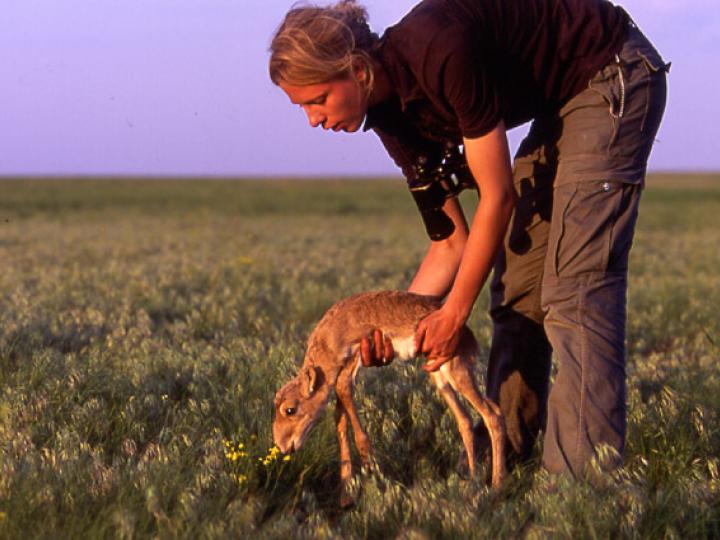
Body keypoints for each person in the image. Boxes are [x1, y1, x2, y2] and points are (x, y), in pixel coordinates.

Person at [268, 0, 668, 479]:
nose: (313, 120)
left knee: (574, 291)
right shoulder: (393, 120)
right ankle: (505, 464)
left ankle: (582, 492)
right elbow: (451, 243)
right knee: (516, 287)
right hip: (560, 101)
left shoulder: (438, 50)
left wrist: (454, 313)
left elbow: (496, 197)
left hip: (610, 69)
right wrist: (399, 331)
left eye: (316, 101)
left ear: (356, 70)